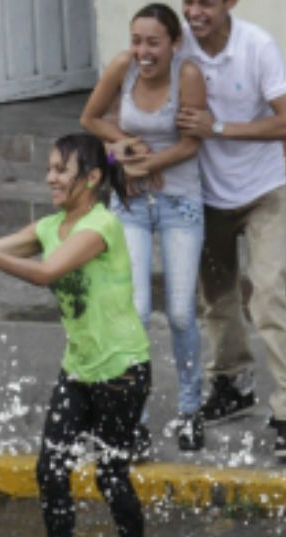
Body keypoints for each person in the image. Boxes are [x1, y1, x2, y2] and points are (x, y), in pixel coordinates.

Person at [0, 134, 156, 537]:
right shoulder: (49, 225)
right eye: (50, 168)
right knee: (50, 469)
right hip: (78, 369)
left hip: (121, 370)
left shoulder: (101, 226)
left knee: (111, 475)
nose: (51, 177)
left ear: (92, 178)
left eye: (61, 169)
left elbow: (46, 272)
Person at [174, 0, 286, 460]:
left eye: (206, 2)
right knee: (216, 299)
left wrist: (219, 127)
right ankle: (231, 383)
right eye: (188, 1)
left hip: (262, 192)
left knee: (269, 293)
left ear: (230, 2)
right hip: (206, 194)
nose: (194, 11)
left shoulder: (257, 46)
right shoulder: (178, 44)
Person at [80, 2, 208, 452]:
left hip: (180, 203)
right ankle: (129, 416)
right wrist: (125, 148)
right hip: (130, 203)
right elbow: (91, 120)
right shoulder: (123, 66)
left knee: (179, 312)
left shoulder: (186, 76)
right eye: (137, 41)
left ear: (174, 44)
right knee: (133, 312)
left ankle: (191, 410)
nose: (143, 51)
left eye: (153, 42)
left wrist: (151, 162)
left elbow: (193, 142)